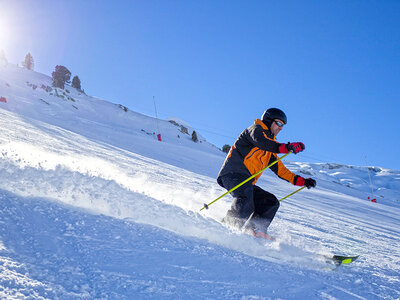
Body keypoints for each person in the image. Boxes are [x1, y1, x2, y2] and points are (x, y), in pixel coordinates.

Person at [217, 108, 316, 238]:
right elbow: (261, 142)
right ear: (269, 120)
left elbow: (281, 170)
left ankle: (254, 230)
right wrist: (286, 147)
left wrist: (302, 181)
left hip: (246, 182)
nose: (281, 128)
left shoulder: (270, 150)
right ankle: (227, 227)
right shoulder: (254, 130)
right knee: (246, 198)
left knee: (270, 201)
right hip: (232, 174)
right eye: (279, 123)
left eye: (283, 126)